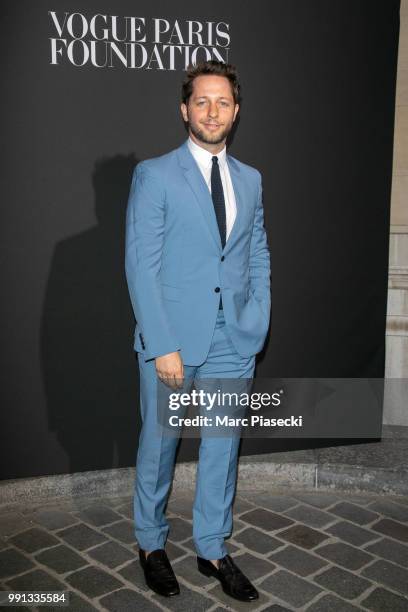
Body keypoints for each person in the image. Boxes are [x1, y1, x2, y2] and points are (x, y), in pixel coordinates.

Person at [125, 59, 271, 602]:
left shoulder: (251, 179)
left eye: (223, 102)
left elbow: (256, 251)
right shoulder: (155, 174)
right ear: (185, 109)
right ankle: (150, 543)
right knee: (160, 445)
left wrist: (258, 314)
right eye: (202, 101)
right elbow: (141, 266)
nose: (213, 111)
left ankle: (212, 547)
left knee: (221, 448)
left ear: (236, 112)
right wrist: (162, 344)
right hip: (175, 343)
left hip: (234, 339)